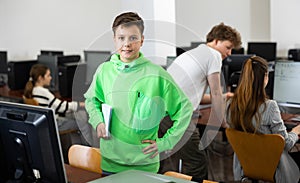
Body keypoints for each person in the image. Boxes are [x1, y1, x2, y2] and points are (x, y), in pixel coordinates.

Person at [84, 12, 193, 174]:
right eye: (121, 38)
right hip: (110, 163)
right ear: (114, 39)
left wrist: (165, 142)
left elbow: (185, 108)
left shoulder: (156, 74)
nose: (127, 44)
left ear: (142, 40)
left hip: (144, 165)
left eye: (133, 38)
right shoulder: (104, 71)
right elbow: (91, 100)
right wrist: (98, 121)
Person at [159, 22, 242, 179]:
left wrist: (224, 97)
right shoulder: (214, 55)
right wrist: (223, 122)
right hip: (176, 116)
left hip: (159, 114)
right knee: (196, 163)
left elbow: (193, 94)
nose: (229, 53)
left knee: (157, 163)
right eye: (228, 47)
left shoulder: (191, 54)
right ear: (216, 41)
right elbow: (216, 92)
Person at [226, 56, 300, 182]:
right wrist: (296, 131)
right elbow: (285, 144)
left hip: (245, 169)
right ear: (265, 77)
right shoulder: (270, 106)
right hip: (273, 171)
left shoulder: (231, 104)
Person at [23, 63, 98, 147]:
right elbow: (61, 107)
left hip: (46, 123)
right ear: (40, 78)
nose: (51, 78)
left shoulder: (33, 90)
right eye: (48, 75)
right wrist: (80, 104)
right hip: (54, 124)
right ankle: (87, 149)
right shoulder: (43, 92)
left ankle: (76, 150)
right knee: (81, 122)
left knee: (77, 115)